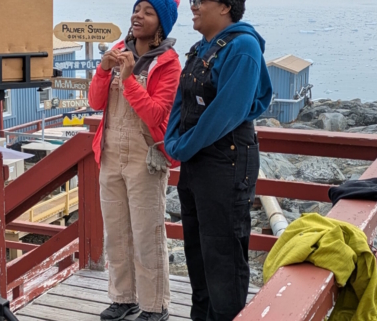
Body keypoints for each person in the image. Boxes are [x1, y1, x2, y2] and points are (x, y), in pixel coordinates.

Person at [163, 0, 272, 320]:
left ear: (225, 6)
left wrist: (181, 147)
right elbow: (180, 103)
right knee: (197, 253)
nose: (193, 6)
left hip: (227, 161)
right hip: (196, 161)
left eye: (200, 1)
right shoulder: (201, 49)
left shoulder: (243, 47)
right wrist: (174, 140)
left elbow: (226, 112)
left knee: (223, 257)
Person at [87, 0, 182, 320]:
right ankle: (123, 298)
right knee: (115, 231)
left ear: (162, 24)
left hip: (145, 156)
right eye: (137, 8)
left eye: (149, 12)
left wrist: (127, 78)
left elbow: (156, 114)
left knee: (147, 233)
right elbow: (95, 102)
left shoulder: (168, 63)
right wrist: (103, 70)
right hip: (111, 152)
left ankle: (156, 305)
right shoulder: (117, 50)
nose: (138, 16)